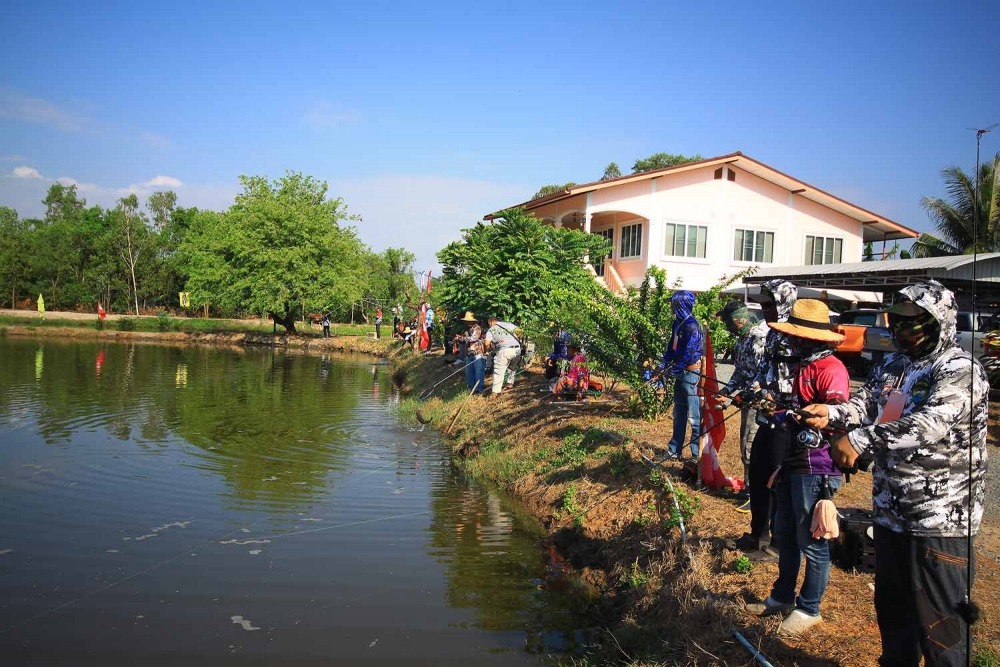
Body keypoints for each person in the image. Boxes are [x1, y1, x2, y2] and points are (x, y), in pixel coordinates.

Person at [799, 281, 988, 666]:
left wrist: (861, 440)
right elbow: (868, 404)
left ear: (939, 321)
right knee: (895, 619)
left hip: (938, 521)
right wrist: (831, 414)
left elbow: (930, 423)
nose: (902, 330)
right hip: (890, 515)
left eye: (913, 322)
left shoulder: (959, 370)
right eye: (895, 321)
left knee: (942, 632)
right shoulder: (895, 365)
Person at [744, 299, 848, 636]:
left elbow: (836, 421)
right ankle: (781, 597)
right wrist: (772, 406)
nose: (794, 342)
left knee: (812, 541)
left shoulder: (831, 369)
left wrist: (801, 416)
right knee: (785, 534)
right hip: (791, 463)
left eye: (799, 337)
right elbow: (793, 409)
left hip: (817, 466)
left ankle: (810, 608)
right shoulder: (804, 366)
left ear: (815, 338)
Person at [730, 279, 799, 554]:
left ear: (784, 303)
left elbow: (798, 382)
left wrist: (773, 396)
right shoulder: (771, 334)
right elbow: (763, 373)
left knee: (777, 482)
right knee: (758, 475)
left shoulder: (796, 336)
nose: (766, 310)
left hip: (787, 422)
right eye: (764, 305)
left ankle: (778, 542)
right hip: (767, 418)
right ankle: (757, 535)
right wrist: (754, 390)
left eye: (771, 304)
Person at [714, 300, 768, 511]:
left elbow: (761, 376)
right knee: (745, 443)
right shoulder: (741, 340)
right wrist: (727, 391)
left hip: (759, 403)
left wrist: (744, 395)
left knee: (751, 446)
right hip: (747, 402)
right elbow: (740, 372)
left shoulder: (758, 339)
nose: (726, 326)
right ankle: (748, 487)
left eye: (727, 321)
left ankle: (756, 494)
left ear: (737, 320)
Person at [660, 290, 704, 461]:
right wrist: (662, 364)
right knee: (679, 413)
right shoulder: (677, 324)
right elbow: (672, 347)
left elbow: (689, 353)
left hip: (690, 374)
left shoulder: (692, 326)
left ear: (681, 305)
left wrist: (674, 369)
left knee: (694, 416)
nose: (671, 306)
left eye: (673, 303)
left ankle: (695, 455)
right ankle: (674, 450)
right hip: (679, 374)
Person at [484, 316, 522, 396]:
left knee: (499, 371)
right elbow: (520, 333)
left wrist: (487, 351)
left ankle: (495, 392)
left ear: (491, 322)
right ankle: (510, 383)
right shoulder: (510, 325)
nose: (489, 326)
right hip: (517, 350)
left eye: (489, 324)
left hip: (504, 351)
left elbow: (487, 343)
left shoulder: (491, 329)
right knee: (512, 367)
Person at [456, 312, 487, 393]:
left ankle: (479, 389)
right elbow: (465, 340)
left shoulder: (477, 328)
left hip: (478, 353)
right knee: (469, 372)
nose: (467, 322)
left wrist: (462, 338)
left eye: (468, 321)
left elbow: (473, 338)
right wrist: (459, 339)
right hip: (469, 353)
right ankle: (471, 388)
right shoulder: (467, 330)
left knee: (478, 371)